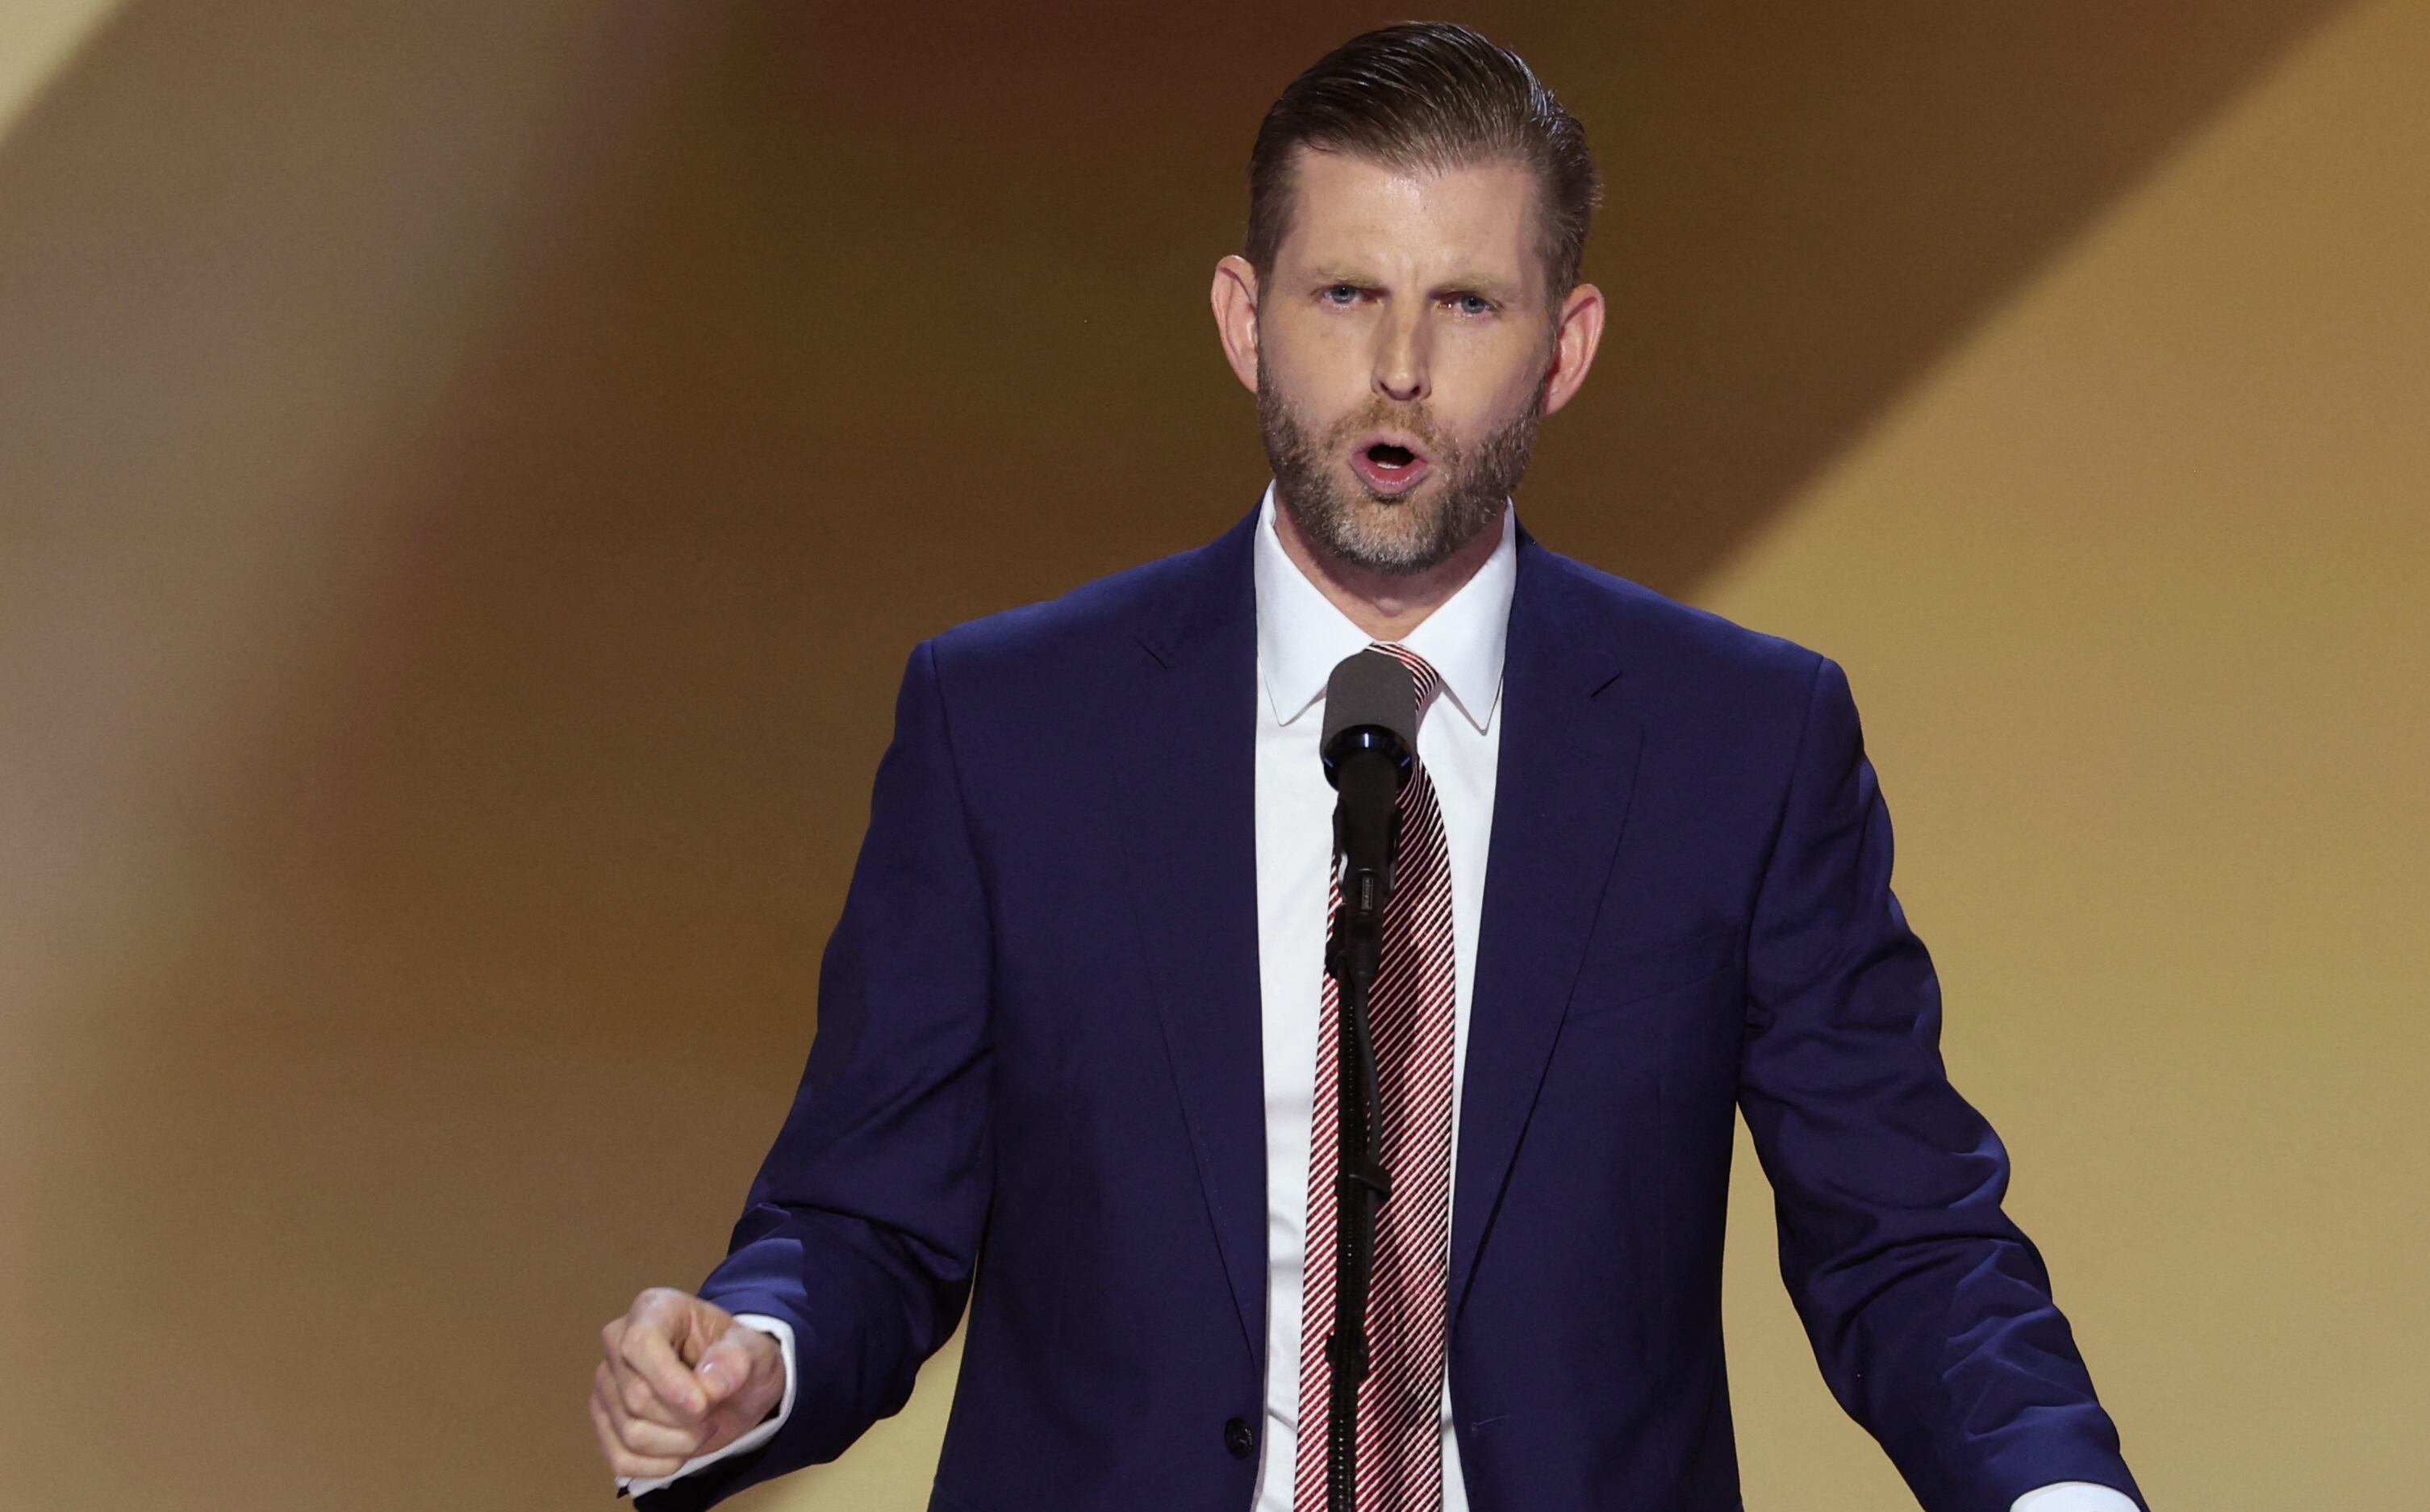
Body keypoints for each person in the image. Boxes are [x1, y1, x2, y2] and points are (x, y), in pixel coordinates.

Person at [588, 22, 2144, 1512]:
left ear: (1566, 347)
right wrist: (757, 1359)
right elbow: (864, 1217)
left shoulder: (1739, 743)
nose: (1398, 366)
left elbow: (1908, 1237)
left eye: (1467, 305)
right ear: (1241, 316)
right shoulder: (1008, 728)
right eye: (1344, 293)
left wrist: (2058, 1489)